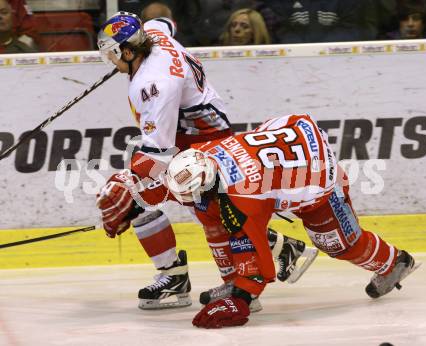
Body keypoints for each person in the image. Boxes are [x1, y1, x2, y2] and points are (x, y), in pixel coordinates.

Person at [95, 12, 316, 311]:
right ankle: (279, 249)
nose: (110, 60)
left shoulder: (153, 84)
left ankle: (210, 280)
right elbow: (164, 20)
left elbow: (157, 154)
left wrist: (131, 199)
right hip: (200, 133)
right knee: (212, 209)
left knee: (140, 195)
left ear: (129, 50)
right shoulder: (154, 35)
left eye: (112, 54)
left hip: (201, 144)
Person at [164, 113, 419, 328]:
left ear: (206, 182)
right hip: (295, 130)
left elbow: (257, 264)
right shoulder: (202, 152)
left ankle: (394, 262)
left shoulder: (245, 198)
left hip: (320, 181)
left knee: (338, 244)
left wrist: (241, 297)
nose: (188, 200)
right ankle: (278, 247)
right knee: (218, 215)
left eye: (191, 193)